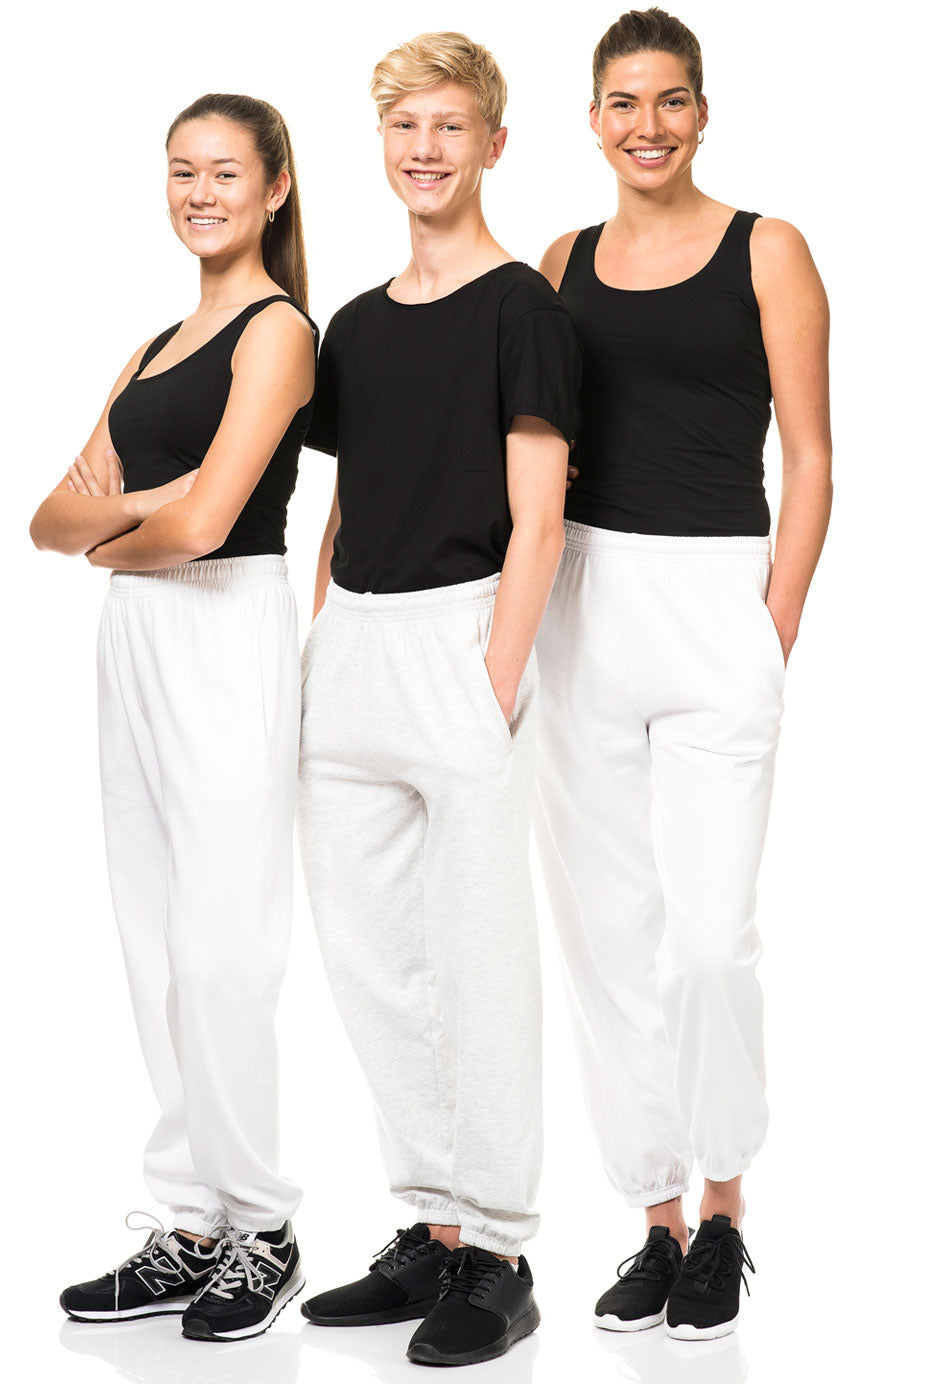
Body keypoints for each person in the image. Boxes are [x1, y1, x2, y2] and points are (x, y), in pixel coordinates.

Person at [534, 6, 832, 1342]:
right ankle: (653, 1216)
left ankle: (723, 1210)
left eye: (669, 100)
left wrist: (771, 626)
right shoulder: (559, 261)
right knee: (609, 937)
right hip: (584, 601)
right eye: (622, 102)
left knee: (710, 941)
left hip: (716, 600)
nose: (645, 125)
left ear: (701, 113)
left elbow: (811, 459)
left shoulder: (769, 248)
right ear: (592, 120)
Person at [295, 32, 581, 1369]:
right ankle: (432, 1226)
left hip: (462, 639)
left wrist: (493, 680)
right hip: (351, 646)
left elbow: (541, 519)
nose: (425, 149)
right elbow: (345, 500)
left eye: (450, 126)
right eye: (405, 126)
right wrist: (318, 641)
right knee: (372, 961)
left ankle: (502, 1253)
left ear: (493, 145)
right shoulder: (353, 325)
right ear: (382, 143)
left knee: (478, 961)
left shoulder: (524, 309)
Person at [29, 93, 318, 1343]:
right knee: (151, 939)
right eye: (181, 171)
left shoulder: (279, 332)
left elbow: (206, 528)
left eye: (224, 173)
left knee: (220, 949)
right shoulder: (153, 347)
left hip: (225, 629)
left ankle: (264, 1226)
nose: (200, 194)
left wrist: (125, 521)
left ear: (275, 187)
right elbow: (45, 519)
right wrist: (155, 506)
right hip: (136, 638)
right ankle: (191, 1223)